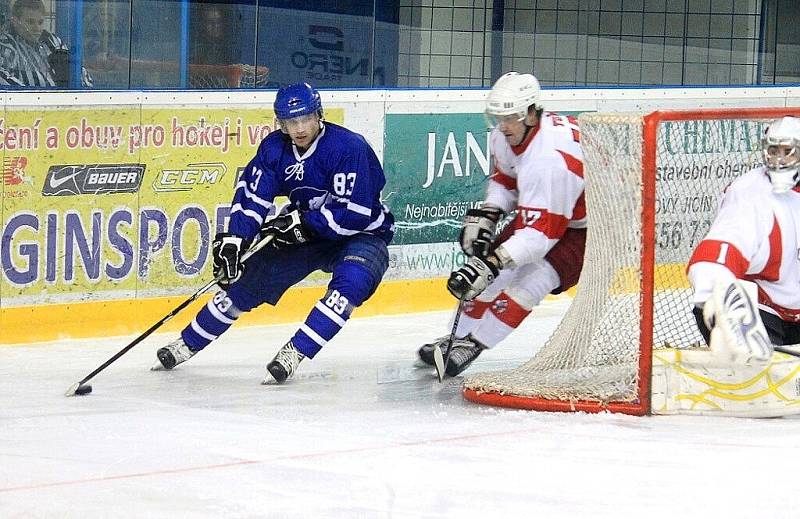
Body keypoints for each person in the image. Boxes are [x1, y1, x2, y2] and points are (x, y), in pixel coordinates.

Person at [153, 82, 395, 384]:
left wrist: (305, 224)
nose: (300, 128)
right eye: (291, 121)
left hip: (362, 235)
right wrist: (236, 240)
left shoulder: (349, 148)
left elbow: (357, 214)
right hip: (309, 235)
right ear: (281, 123)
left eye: (306, 118)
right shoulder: (274, 149)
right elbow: (253, 198)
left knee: (351, 285)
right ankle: (187, 343)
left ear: (319, 114)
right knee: (244, 282)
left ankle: (296, 351)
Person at [417, 71, 587, 377]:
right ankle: (455, 339)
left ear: (532, 115)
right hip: (554, 210)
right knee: (489, 275)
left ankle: (474, 344)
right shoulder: (507, 135)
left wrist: (493, 261)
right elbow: (506, 180)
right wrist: (490, 213)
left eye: (511, 117)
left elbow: (539, 238)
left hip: (592, 226)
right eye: (499, 117)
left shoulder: (548, 161)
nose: (503, 125)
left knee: (532, 281)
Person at [686, 116, 800, 363]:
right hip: (760, 309)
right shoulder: (751, 195)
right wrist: (722, 305)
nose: (778, 160)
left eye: (788, 152)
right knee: (755, 380)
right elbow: (715, 255)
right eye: (773, 150)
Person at [0, 0, 92, 87]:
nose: (37, 28)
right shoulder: (5, 45)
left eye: (40, 22)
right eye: (30, 22)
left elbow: (82, 76)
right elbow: (4, 81)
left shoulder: (53, 41)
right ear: (15, 21)